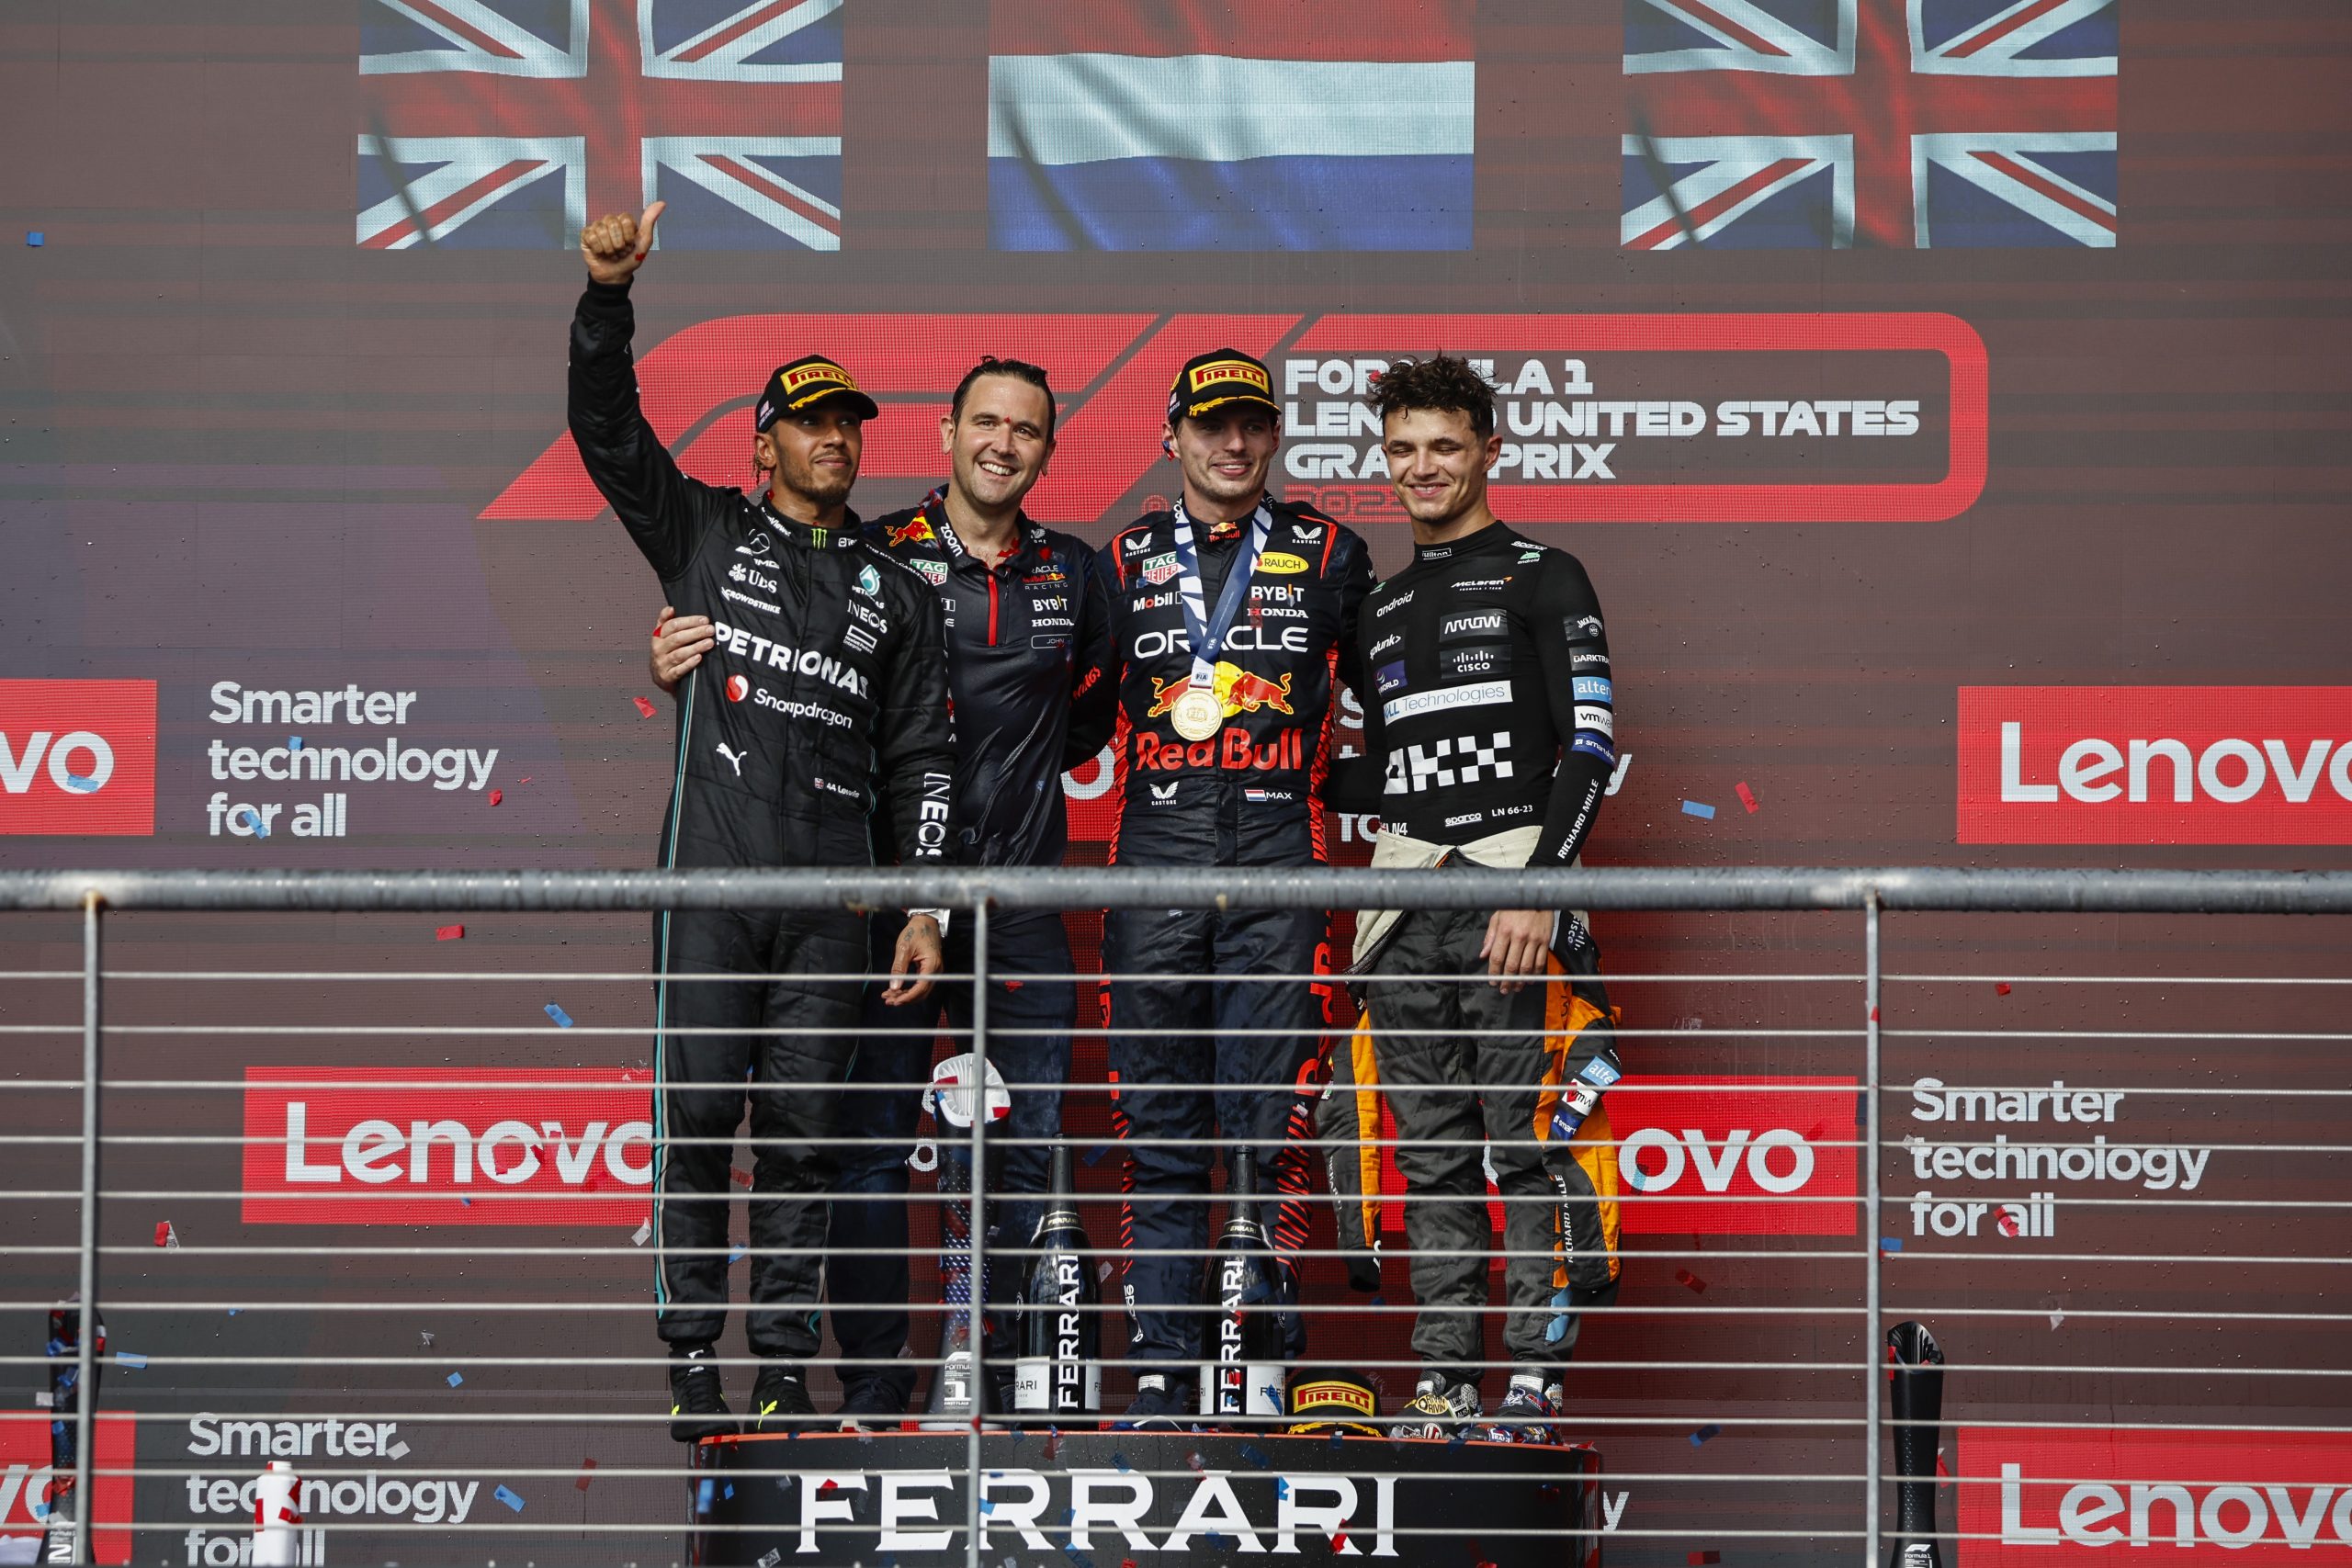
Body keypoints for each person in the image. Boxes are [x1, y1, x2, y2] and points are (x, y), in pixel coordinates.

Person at [650, 356, 1116, 1426]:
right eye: (985, 422)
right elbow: (790, 667)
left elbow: (1086, 719)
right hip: (887, 902)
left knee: (1022, 1152)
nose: (1003, 444)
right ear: (946, 432)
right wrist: (682, 658)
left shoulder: (1076, 570)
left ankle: (1006, 1390)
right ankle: (871, 1389)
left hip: (1017, 897)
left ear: (1050, 449)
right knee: (856, 1150)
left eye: (1026, 430)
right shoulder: (878, 553)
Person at [568, 202, 957, 1441]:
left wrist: (926, 907)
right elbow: (605, 431)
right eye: (811, 420)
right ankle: (693, 1359)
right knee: (695, 1124)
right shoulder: (704, 531)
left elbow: (924, 759)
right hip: (711, 887)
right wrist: (608, 298)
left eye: (849, 422)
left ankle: (784, 1366)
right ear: (764, 442)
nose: (835, 437)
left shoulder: (897, 589)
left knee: (801, 1140)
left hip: (834, 904)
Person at [1343, 354, 1624, 1444]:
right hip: (1403, 907)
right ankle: (1446, 1381)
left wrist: (1538, 888)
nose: (1422, 468)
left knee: (1531, 1144)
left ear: (1489, 450)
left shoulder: (1547, 575)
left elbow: (1589, 745)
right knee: (1430, 1155)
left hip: (1513, 891)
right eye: (1402, 450)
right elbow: (1384, 775)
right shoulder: (1379, 605)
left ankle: (1534, 1386)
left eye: (1444, 447)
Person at [1094, 349, 1374, 1423]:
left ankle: (1257, 1365)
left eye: (1252, 424)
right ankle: (1163, 1371)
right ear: (1172, 437)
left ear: (1275, 436)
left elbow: (1395, 698)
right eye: (1211, 425)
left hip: (1278, 854)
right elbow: (1057, 708)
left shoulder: (1331, 553)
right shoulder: (1121, 559)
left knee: (1271, 1127)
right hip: (1154, 854)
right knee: (1158, 1125)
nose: (1233, 443)